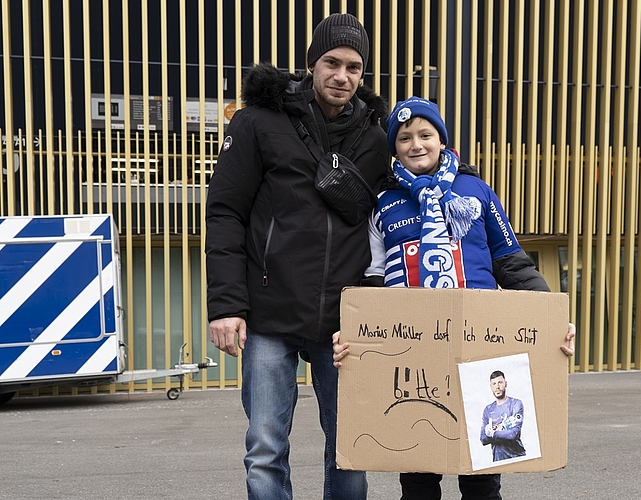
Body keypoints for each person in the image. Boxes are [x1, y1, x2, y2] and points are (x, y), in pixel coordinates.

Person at [332, 95, 576, 500]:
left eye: (426, 134)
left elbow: (513, 264)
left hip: (479, 351)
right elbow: (371, 286)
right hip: (410, 358)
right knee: (417, 481)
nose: (416, 144)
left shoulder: (475, 191)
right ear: (394, 148)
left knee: (481, 479)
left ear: (441, 140)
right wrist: (354, 336)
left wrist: (552, 318)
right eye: (405, 138)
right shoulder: (384, 203)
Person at [205, 13, 390, 500]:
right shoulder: (258, 123)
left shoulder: (376, 139)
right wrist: (226, 306)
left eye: (354, 67)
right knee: (265, 449)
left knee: (352, 447)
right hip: (270, 313)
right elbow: (225, 213)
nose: (342, 76)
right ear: (311, 64)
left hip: (344, 322)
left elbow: (420, 182)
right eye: (332, 62)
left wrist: (466, 180)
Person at [480, 370, 526, 462]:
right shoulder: (488, 410)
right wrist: (502, 429)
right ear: (491, 387)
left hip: (517, 458)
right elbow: (483, 439)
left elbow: (513, 434)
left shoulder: (516, 404)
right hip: (498, 461)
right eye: (494, 384)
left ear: (505, 384)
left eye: (500, 382)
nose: (497, 387)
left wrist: (493, 432)